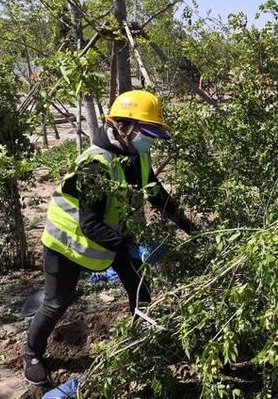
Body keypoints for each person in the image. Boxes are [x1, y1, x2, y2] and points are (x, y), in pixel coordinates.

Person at [23, 90, 193, 385]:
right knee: (56, 302)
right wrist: (133, 248)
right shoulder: (94, 165)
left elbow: (157, 195)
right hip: (66, 243)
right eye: (147, 133)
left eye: (154, 134)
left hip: (111, 238)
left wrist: (191, 228)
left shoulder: (135, 156)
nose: (150, 140)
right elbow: (89, 225)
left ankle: (143, 335)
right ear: (123, 126)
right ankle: (31, 354)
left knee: (140, 288)